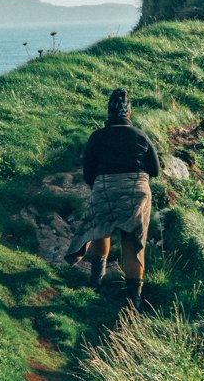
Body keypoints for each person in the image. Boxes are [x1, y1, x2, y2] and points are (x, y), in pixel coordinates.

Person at [65, 88, 161, 310]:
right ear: (130, 113)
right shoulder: (141, 136)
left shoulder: (97, 137)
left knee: (100, 230)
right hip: (138, 192)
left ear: (108, 113)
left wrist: (105, 185)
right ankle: (133, 300)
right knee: (133, 243)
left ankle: (95, 282)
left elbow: (89, 175)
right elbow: (154, 171)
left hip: (105, 189)